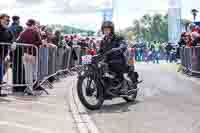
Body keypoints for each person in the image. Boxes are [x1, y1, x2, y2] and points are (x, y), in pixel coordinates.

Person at [98, 21, 137, 94]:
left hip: (118, 60)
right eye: (104, 29)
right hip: (107, 61)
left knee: (114, 65)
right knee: (99, 68)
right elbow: (100, 52)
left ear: (111, 30)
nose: (106, 31)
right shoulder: (103, 41)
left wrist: (119, 47)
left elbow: (123, 44)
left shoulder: (118, 38)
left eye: (107, 29)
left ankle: (123, 85)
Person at [0, 14, 14, 97]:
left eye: (8, 21)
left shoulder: (8, 30)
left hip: (3, 54)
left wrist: (13, 42)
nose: (7, 22)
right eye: (6, 20)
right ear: (0, 19)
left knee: (2, 70)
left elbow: (12, 38)